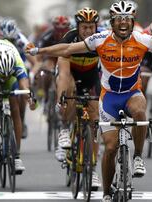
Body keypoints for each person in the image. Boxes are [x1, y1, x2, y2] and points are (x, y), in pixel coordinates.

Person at [26, 1, 152, 202]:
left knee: (139, 111)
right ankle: (107, 193)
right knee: (110, 148)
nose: (123, 23)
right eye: (119, 19)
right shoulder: (99, 39)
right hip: (109, 98)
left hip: (131, 93)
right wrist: (38, 52)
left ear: (132, 21)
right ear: (112, 21)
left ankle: (137, 157)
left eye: (127, 19)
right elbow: (68, 47)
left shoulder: (142, 40)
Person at [54, 7, 102, 189]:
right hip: (70, 73)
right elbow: (64, 74)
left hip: (91, 76)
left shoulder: (101, 40)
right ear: (78, 27)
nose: (88, 31)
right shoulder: (69, 39)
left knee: (95, 120)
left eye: (91, 27)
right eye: (84, 27)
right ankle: (65, 129)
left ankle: (93, 168)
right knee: (70, 88)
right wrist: (63, 98)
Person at [0, 39, 37, 173]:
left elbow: (24, 86)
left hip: (10, 65)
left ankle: (17, 157)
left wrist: (30, 99)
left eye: (7, 75)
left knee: (14, 106)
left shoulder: (17, 63)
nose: (4, 78)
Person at [0, 19, 39, 139]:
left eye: (12, 40)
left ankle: (21, 118)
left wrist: (32, 74)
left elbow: (35, 62)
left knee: (23, 92)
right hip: (3, 66)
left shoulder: (22, 41)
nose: (9, 42)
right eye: (6, 40)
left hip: (19, 65)